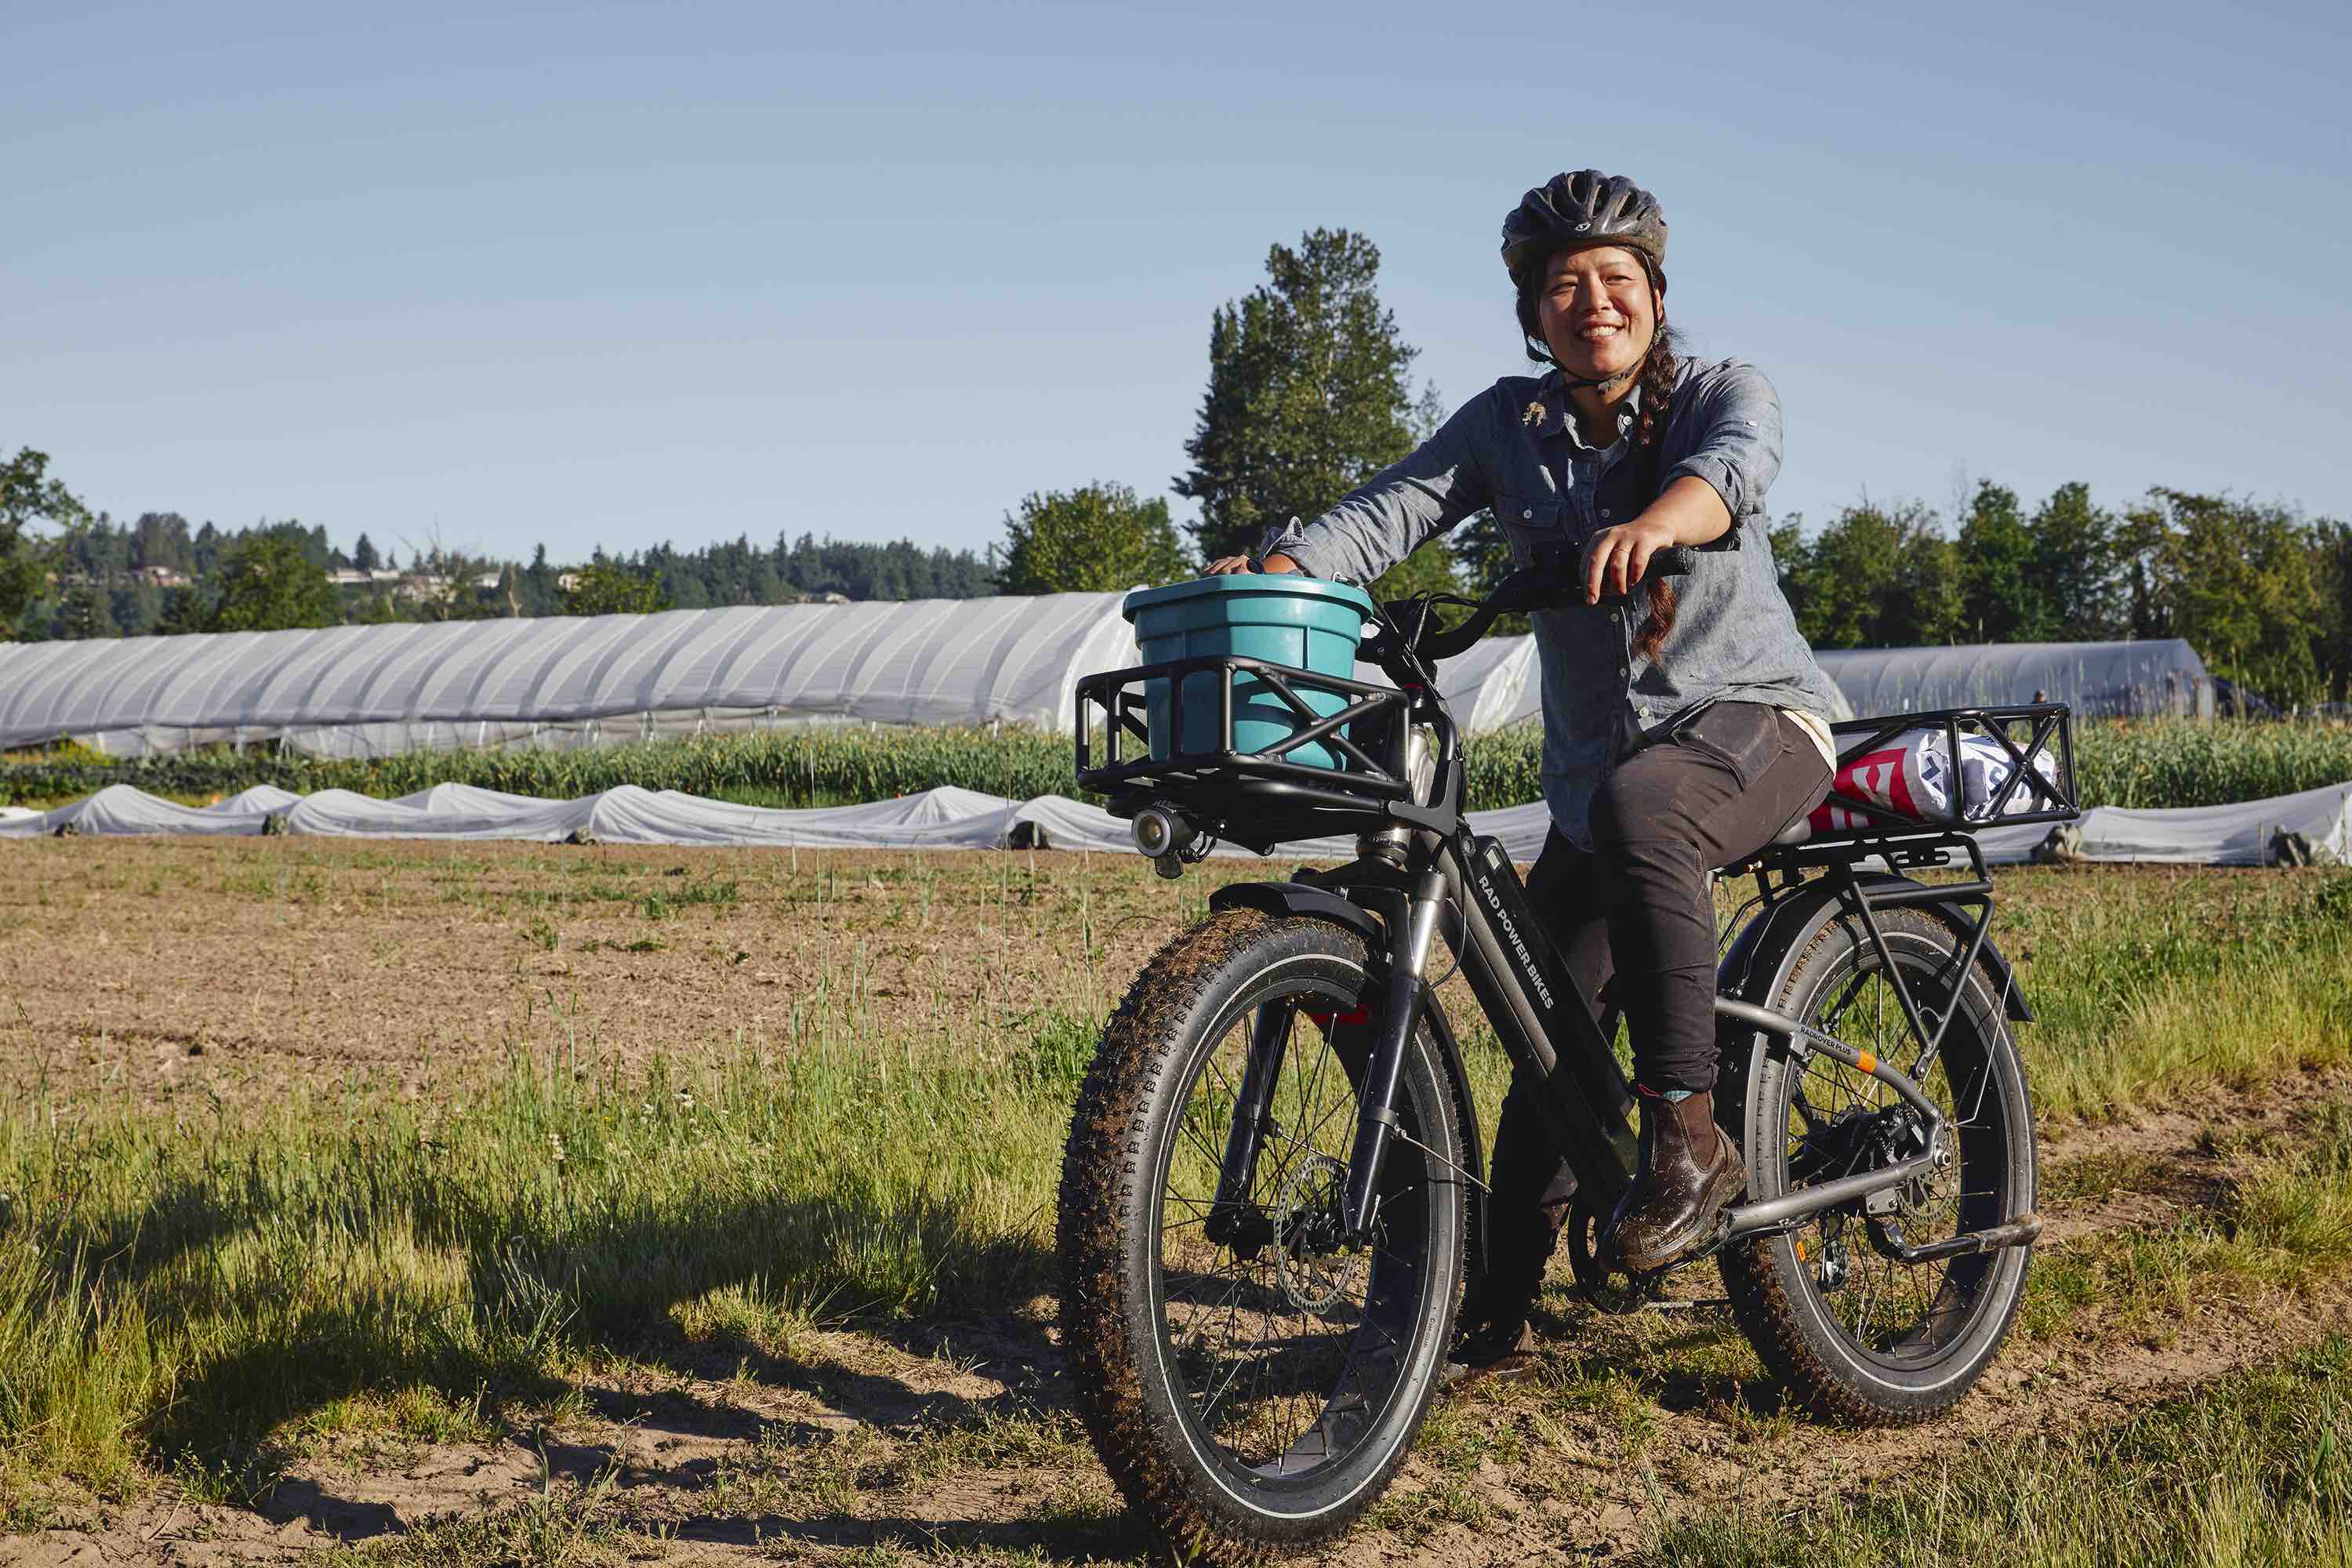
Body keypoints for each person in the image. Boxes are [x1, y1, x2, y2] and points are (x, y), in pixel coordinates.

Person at [1206, 170, 1841, 1384]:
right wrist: (1286, 566)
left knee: (1643, 811)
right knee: (1542, 1025)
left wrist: (1661, 522)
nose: (1592, 303)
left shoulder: (1716, 392)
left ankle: (1692, 1145)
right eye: (1565, 287)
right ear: (1533, 315)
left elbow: (1736, 468)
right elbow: (1392, 513)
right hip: (1600, 782)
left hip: (1756, 725)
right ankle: (1490, 1304)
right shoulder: (1510, 424)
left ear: (1655, 297)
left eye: (1616, 281)